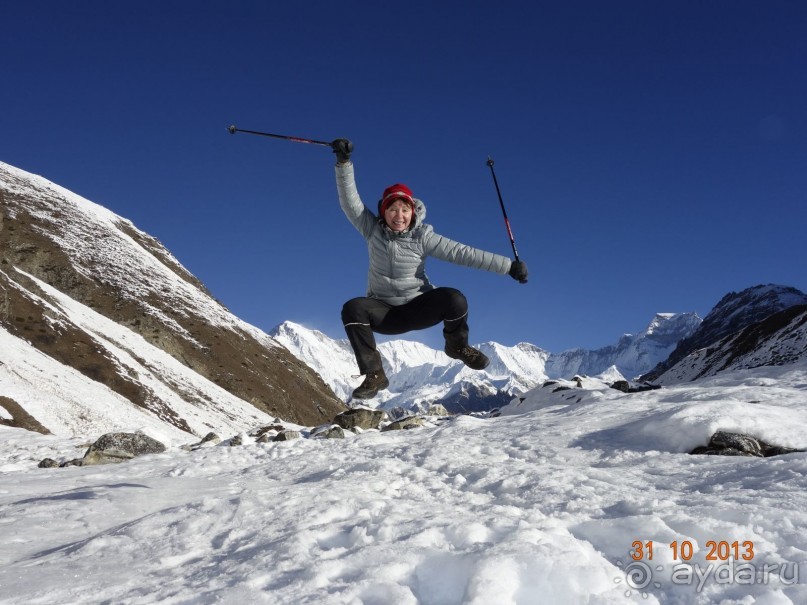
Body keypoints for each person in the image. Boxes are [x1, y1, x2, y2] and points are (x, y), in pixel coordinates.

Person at [331, 138, 528, 400]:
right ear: (383, 212)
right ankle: (374, 374)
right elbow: (350, 202)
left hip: (418, 307)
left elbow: (462, 253)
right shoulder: (372, 230)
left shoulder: (423, 236)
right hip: (383, 312)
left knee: (454, 299)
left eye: (404, 209)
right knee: (352, 308)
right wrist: (344, 162)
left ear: (413, 212)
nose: (398, 215)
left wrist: (509, 267)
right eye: (392, 208)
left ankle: (457, 347)